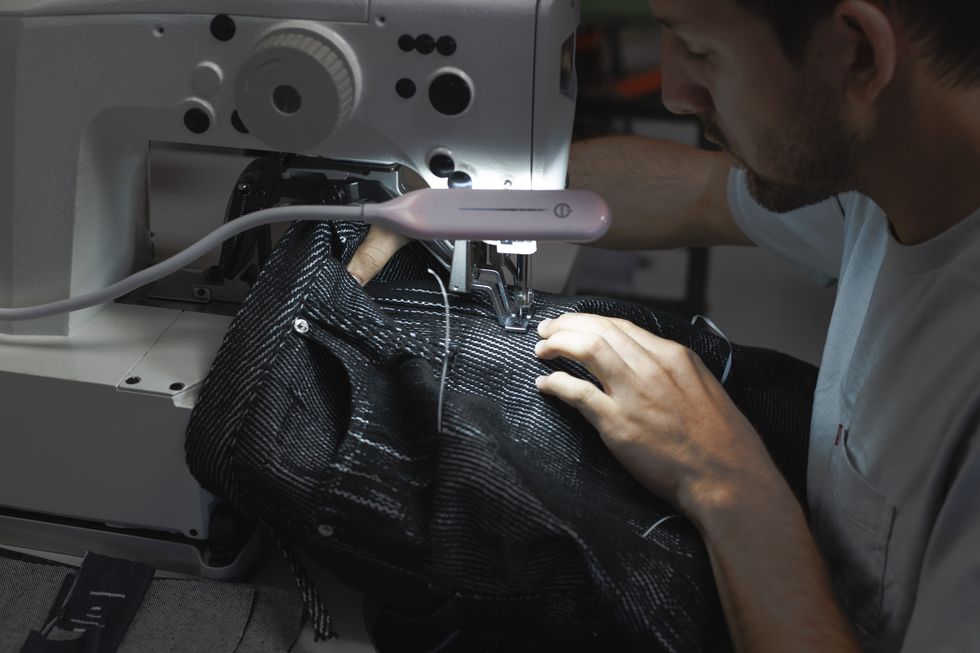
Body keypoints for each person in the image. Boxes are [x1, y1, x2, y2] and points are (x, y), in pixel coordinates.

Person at [346, 1, 980, 650]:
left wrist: (724, 479)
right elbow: (699, 192)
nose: (676, 93)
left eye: (702, 53)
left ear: (860, 55)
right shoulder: (895, 177)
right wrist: (469, 194)